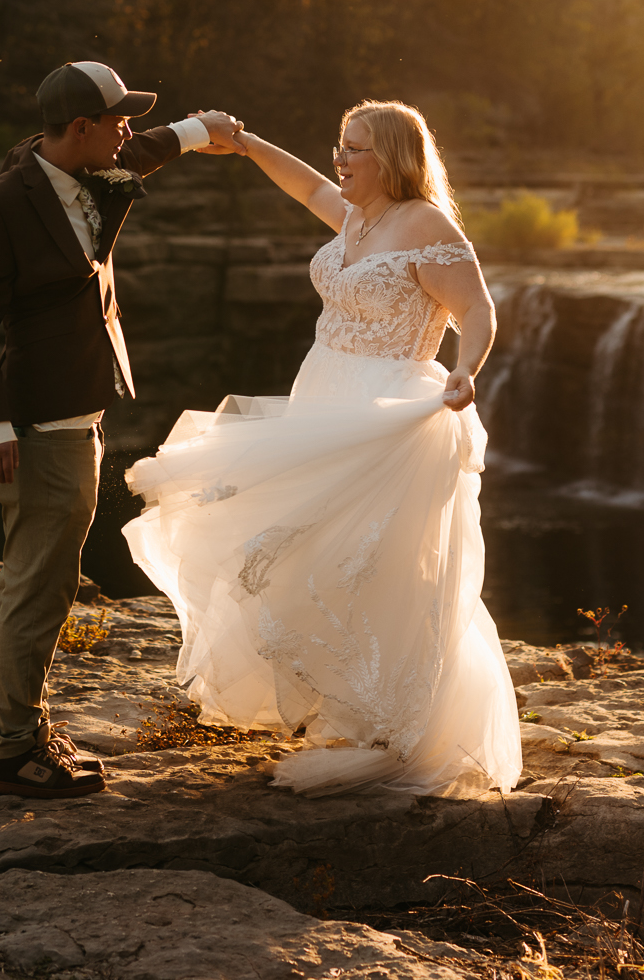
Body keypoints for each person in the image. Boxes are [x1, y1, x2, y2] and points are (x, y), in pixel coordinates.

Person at [122, 100, 522, 797]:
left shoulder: (425, 224)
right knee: (298, 554)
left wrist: (467, 367)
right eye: (340, 144)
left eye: (356, 148)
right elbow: (307, 186)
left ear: (394, 157)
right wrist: (245, 144)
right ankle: (338, 704)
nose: (341, 158)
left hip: (383, 414)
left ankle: (390, 721)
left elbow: (478, 307)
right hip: (322, 400)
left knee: (370, 562)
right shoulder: (356, 215)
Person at [0, 60, 242, 799]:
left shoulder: (88, 165)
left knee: (50, 581)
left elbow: (140, 153)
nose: (128, 132)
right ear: (79, 128)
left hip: (82, 412)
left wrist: (199, 131)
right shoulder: (2, 203)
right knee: (38, 587)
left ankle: (25, 726)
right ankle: (15, 748)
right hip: (38, 422)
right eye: (118, 120)